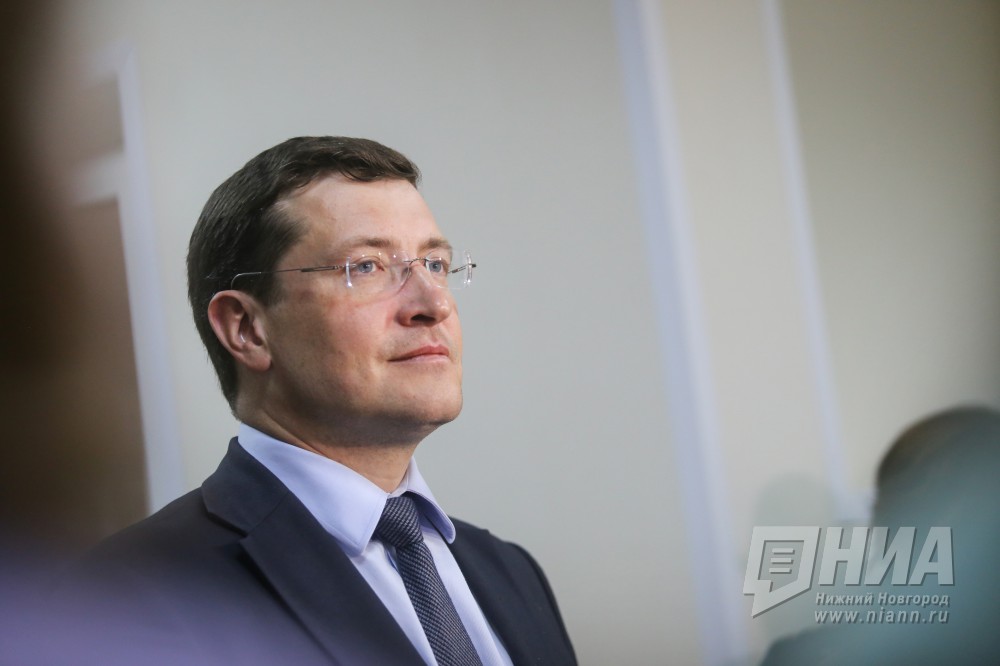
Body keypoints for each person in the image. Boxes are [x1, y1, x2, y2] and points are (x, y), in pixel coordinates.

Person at [65, 136, 577, 665]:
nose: (434, 304)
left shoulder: (512, 573)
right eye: (367, 266)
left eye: (434, 264)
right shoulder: (126, 597)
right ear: (247, 329)